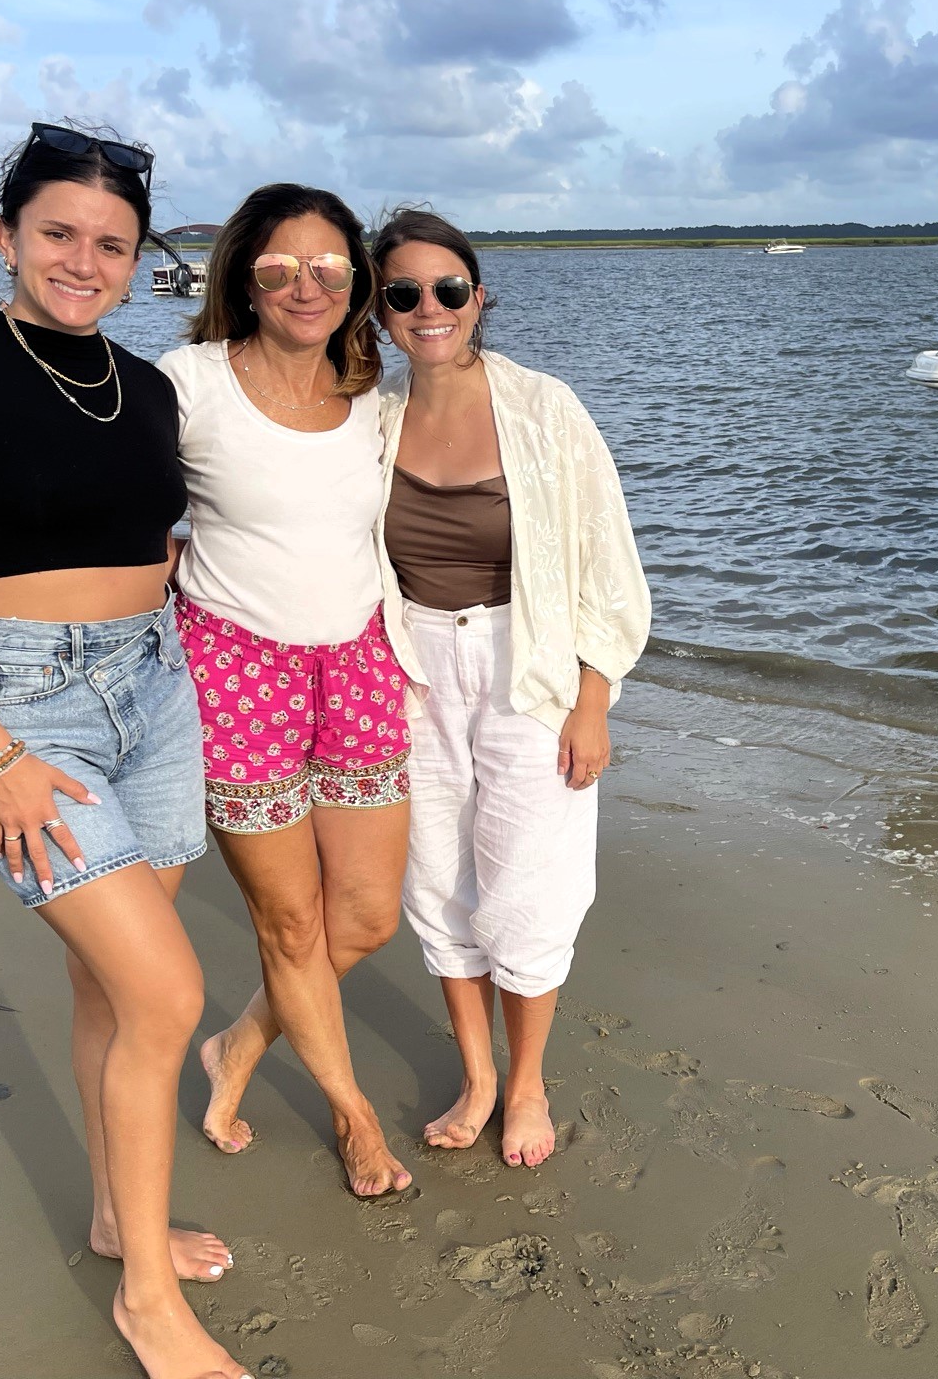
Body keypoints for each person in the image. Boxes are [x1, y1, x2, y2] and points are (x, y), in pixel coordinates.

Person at [0, 122, 248, 1379]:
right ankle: (146, 1299)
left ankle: (108, 1215)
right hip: (30, 713)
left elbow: (162, 544)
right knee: (168, 995)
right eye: (59, 234)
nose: (85, 261)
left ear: (139, 262)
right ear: (6, 236)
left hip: (158, 687)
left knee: (110, 992)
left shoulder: (145, 387)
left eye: (112, 245)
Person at [370, 208, 650, 1168]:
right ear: (379, 309)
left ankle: (526, 1082)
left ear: (479, 298)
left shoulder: (545, 409)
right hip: (407, 670)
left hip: (526, 668)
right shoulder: (368, 416)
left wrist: (594, 699)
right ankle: (478, 1075)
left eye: (449, 289)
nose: (429, 308)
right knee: (438, 883)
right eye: (403, 293)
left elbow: (607, 564)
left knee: (530, 887)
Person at [160, 184, 414, 1198]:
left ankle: (237, 1046)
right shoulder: (189, 382)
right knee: (291, 925)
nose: (303, 286)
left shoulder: (371, 396)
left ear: (354, 283)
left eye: (327, 268)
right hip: (236, 665)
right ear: (242, 277)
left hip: (358, 661)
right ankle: (353, 1119)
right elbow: (94, 480)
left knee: (363, 917)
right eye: (278, 267)